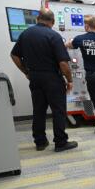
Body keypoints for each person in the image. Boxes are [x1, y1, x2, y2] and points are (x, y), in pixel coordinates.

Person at [10, 8, 78, 152]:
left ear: (37, 19)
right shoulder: (53, 36)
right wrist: (70, 80)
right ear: (52, 22)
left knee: (38, 110)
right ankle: (60, 142)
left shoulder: (25, 34)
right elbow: (63, 63)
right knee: (58, 110)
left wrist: (26, 72)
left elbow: (14, 55)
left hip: (34, 77)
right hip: (52, 78)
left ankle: (40, 142)